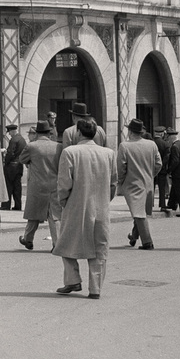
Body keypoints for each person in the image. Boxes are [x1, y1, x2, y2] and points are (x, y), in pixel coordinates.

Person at [53, 117, 117, 298]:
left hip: (76, 205)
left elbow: (64, 182)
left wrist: (63, 200)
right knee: (99, 247)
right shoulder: (109, 153)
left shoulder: (70, 152)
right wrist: (105, 200)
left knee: (65, 243)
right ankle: (95, 289)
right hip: (101, 208)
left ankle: (72, 280)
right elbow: (113, 183)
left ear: (78, 132)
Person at [117, 119, 161, 250]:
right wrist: (150, 175)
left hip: (132, 184)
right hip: (148, 183)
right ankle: (134, 236)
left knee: (139, 214)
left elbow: (121, 167)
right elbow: (159, 164)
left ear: (130, 131)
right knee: (140, 211)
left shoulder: (124, 146)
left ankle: (147, 242)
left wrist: (120, 181)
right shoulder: (151, 144)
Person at [19, 120, 61, 250]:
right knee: (54, 216)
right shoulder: (58, 146)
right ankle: (57, 243)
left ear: (37, 133)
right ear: (49, 133)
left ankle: (28, 238)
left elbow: (22, 159)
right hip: (54, 184)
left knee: (33, 214)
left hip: (37, 185)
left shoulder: (32, 146)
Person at [2, 122, 27, 211]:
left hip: (11, 166)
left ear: (12, 131)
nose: (9, 134)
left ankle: (6, 205)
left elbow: (10, 153)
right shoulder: (22, 139)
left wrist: (6, 161)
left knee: (8, 185)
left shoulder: (13, 140)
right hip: (19, 165)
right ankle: (18, 205)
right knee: (17, 186)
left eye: (9, 132)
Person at [153, 125, 172, 215]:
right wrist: (163, 166)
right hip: (162, 169)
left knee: (150, 188)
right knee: (162, 188)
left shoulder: (150, 143)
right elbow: (166, 158)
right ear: (161, 134)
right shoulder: (165, 144)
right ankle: (162, 205)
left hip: (151, 169)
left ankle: (149, 205)